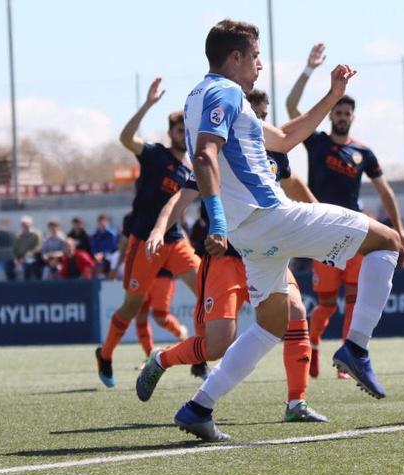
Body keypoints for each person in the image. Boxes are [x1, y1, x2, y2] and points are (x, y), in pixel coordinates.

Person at [164, 20, 400, 442]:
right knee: (388, 240)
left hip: (251, 234)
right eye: (255, 56)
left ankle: (198, 407)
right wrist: (216, 220)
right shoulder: (225, 91)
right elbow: (203, 156)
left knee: (273, 323)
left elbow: (287, 138)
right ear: (234, 58)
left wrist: (332, 94)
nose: (259, 64)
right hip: (270, 216)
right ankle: (357, 347)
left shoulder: (205, 96)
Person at [136, 87, 330, 423]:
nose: (262, 125)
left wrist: (324, 227)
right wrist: (158, 229)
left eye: (265, 118)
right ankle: (163, 360)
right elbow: (178, 201)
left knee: (296, 310)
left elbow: (298, 187)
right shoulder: (218, 159)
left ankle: (296, 402)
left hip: (268, 252)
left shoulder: (275, 159)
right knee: (217, 346)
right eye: (257, 118)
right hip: (226, 258)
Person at [286, 43, 404, 379]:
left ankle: (348, 359)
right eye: (337, 112)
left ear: (352, 117)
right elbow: (291, 105)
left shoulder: (363, 152)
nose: (342, 117)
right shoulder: (317, 142)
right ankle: (312, 347)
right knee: (326, 303)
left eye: (346, 113)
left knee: (354, 297)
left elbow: (385, 189)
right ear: (331, 116)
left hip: (355, 230)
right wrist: (310, 70)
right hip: (321, 228)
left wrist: (398, 227)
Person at [95, 77, 202, 388]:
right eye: (179, 130)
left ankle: (199, 358)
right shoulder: (155, 154)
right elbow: (126, 137)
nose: (184, 134)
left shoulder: (192, 169)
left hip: (175, 241)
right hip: (144, 241)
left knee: (206, 292)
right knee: (131, 306)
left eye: (187, 130)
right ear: (170, 134)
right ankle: (105, 353)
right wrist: (148, 105)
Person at [4, 215, 42, 281]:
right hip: (20, 258)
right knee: (7, 266)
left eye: (26, 224)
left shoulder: (37, 234)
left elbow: (38, 248)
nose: (25, 225)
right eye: (23, 224)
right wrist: (16, 258)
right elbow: (15, 249)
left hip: (32, 258)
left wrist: (25, 257)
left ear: (31, 224)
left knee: (27, 267)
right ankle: (12, 284)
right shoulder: (18, 235)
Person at [90, 214, 118, 278]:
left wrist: (103, 254)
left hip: (110, 256)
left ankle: (110, 277)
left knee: (109, 261)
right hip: (98, 257)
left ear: (107, 222)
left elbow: (112, 248)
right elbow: (93, 247)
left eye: (104, 222)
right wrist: (96, 255)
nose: (102, 224)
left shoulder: (112, 234)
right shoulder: (94, 236)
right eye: (100, 222)